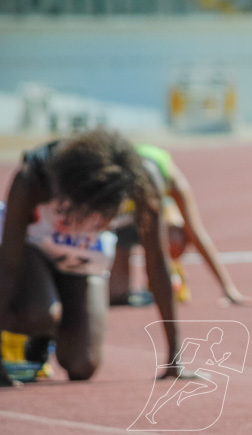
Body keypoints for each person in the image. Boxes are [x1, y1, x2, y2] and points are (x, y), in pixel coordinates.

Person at [0, 128, 184, 387]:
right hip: (34, 249)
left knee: (83, 364)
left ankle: (46, 334)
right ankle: (38, 325)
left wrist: (176, 356)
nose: (103, 220)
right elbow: (8, 265)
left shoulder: (142, 181)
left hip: (82, 257)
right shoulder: (35, 178)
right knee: (39, 313)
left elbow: (157, 262)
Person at [108, 144, 252, 307]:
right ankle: (139, 278)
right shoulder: (112, 183)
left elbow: (195, 230)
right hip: (122, 220)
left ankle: (169, 274)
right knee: (115, 294)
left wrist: (228, 287)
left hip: (153, 218)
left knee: (174, 240)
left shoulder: (171, 179)